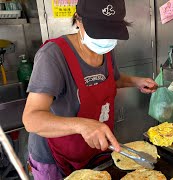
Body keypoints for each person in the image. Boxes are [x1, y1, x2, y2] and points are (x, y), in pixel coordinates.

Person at [22, 0, 157, 179]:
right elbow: (31, 119)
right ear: (78, 20)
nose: (105, 39)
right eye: (99, 31)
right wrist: (82, 125)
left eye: (111, 32)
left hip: (92, 150)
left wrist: (136, 81)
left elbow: (111, 80)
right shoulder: (53, 55)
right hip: (55, 158)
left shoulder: (106, 50)